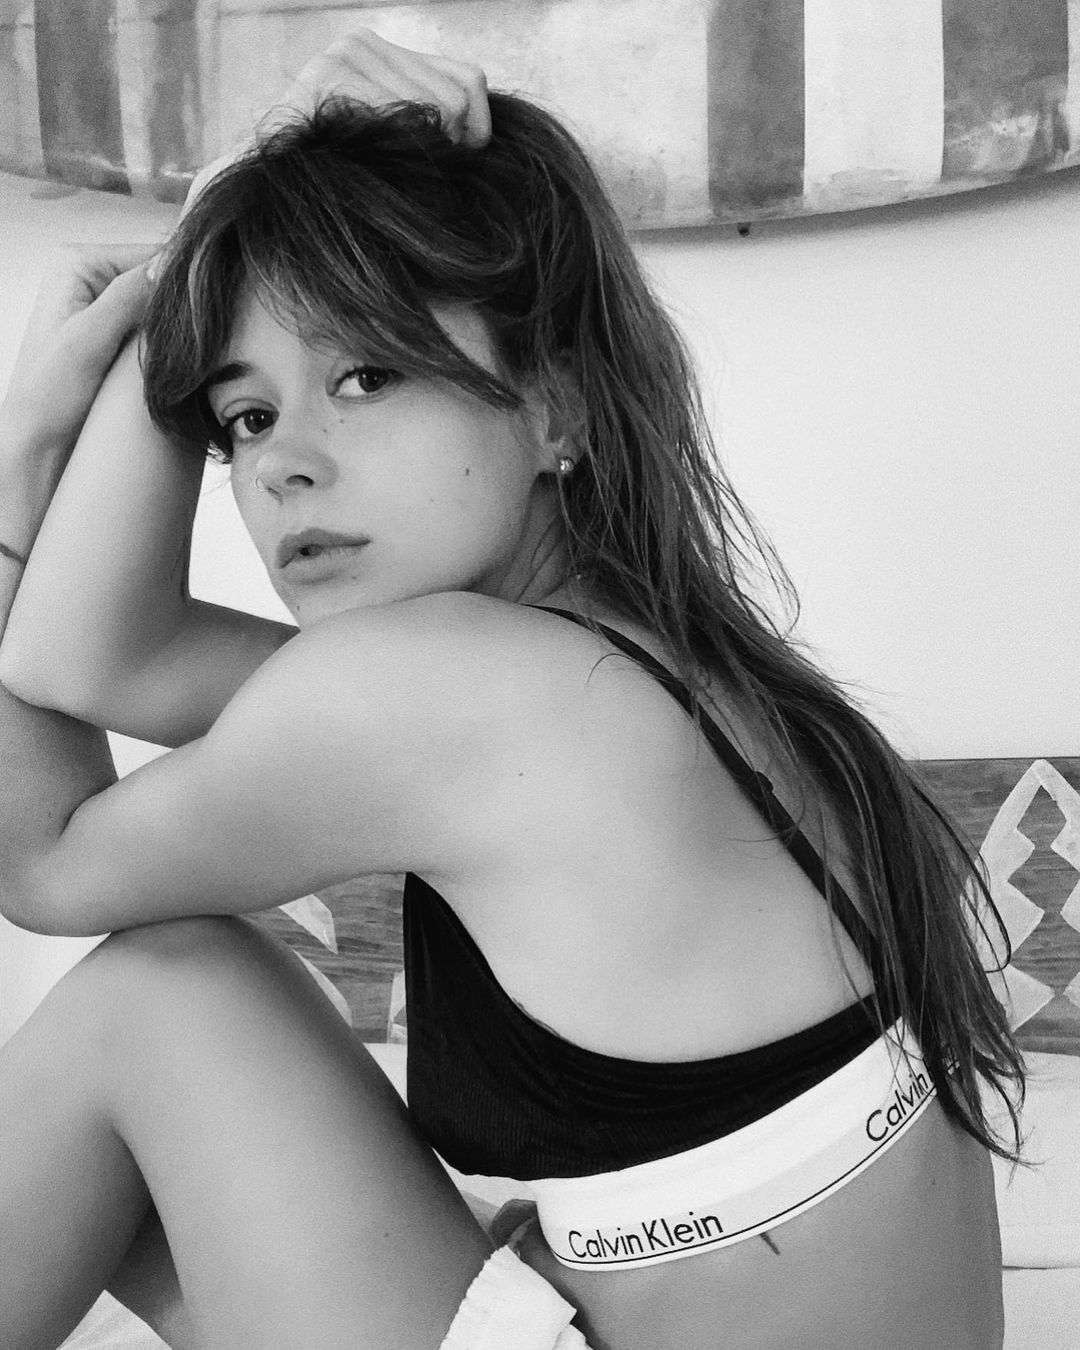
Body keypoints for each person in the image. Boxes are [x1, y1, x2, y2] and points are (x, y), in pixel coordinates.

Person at [0, 29, 1023, 1350]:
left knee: (157, 996)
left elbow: (41, 852)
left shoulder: (441, 693)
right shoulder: (625, 661)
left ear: (555, 411)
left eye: (365, 375)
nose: (284, 464)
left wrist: (35, 435)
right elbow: (92, 659)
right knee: (155, 1119)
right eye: (244, 416)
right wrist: (213, 233)